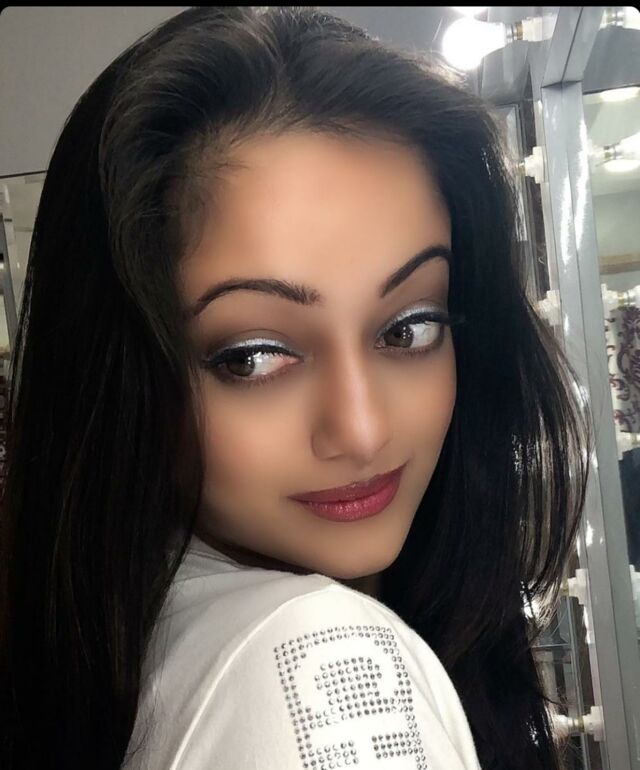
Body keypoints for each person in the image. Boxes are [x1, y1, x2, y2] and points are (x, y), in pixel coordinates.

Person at [0, 6, 591, 770]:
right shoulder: (331, 672)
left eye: (409, 328)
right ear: (120, 381)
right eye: (252, 357)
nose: (362, 429)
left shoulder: (138, 635)